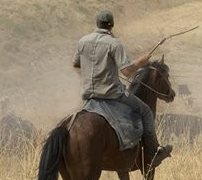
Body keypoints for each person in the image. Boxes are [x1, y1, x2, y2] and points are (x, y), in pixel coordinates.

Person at [73, 10, 172, 169]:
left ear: (97, 24)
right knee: (146, 111)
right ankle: (154, 153)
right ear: (112, 25)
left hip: (88, 95)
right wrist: (141, 61)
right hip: (112, 94)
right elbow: (127, 71)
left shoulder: (83, 41)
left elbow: (76, 64)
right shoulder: (113, 44)